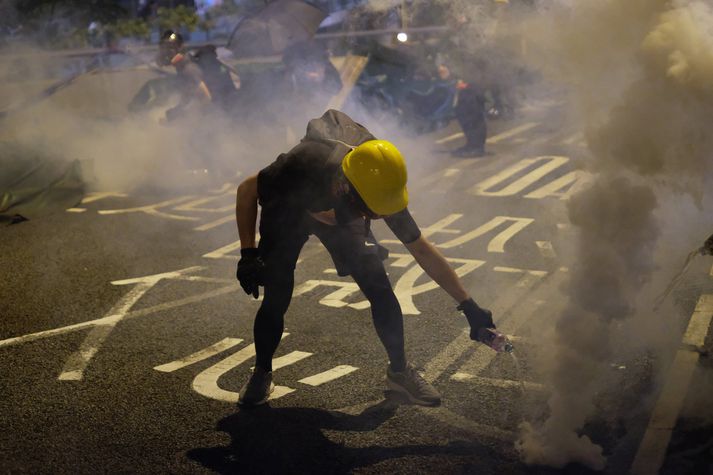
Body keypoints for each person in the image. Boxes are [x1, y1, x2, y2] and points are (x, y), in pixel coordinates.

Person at [234, 109, 497, 407]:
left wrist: (469, 305)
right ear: (344, 188)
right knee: (277, 292)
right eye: (371, 212)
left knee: (379, 286)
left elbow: (420, 248)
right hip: (292, 210)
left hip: (339, 209)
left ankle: (400, 373)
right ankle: (262, 372)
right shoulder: (300, 166)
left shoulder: (378, 181)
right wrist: (248, 254)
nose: (378, 217)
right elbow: (246, 190)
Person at [156, 30, 241, 122]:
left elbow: (206, 100)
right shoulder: (183, 68)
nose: (166, 53)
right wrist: (176, 112)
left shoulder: (188, 69)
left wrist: (181, 115)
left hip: (224, 114)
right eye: (163, 49)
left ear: (180, 49)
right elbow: (188, 96)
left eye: (170, 48)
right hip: (221, 111)